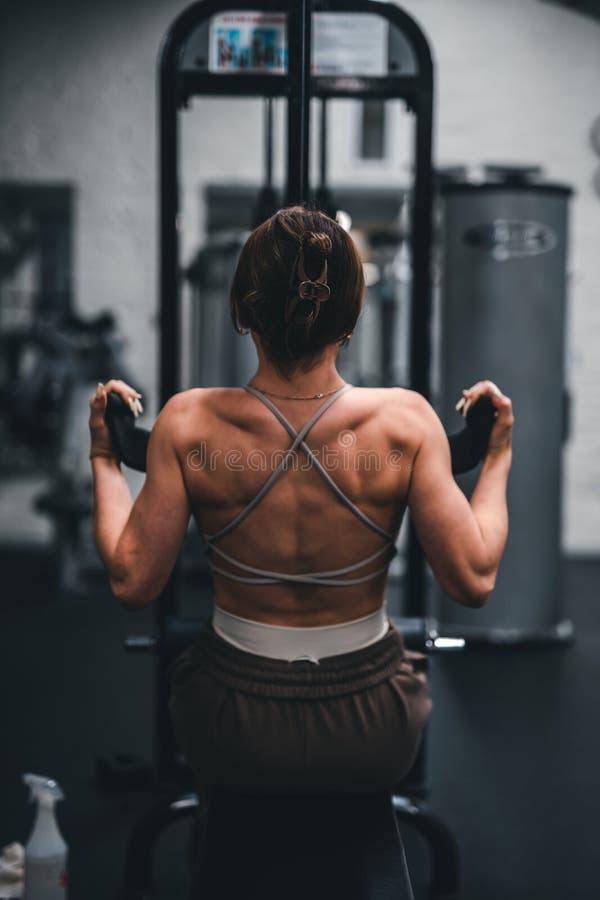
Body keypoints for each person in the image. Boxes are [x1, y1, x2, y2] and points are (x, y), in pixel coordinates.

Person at [88, 205, 513, 808]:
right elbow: (473, 579)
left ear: (241, 311)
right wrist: (496, 455)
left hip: (230, 724)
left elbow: (133, 581)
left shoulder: (188, 421)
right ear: (353, 314)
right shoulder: (406, 420)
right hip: (372, 726)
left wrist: (105, 456)